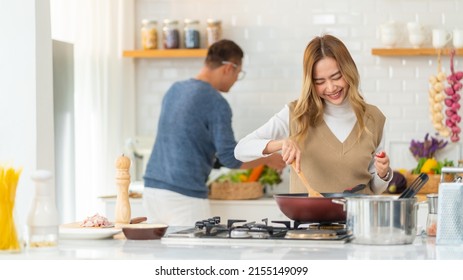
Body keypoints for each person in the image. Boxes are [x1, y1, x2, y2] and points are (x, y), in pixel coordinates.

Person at [143, 39, 286, 226]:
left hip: (152, 190)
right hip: (184, 196)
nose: (236, 80)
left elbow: (190, 145)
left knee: (159, 253)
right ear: (229, 68)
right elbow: (231, 158)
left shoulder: (175, 90)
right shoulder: (216, 102)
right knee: (199, 252)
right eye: (238, 73)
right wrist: (268, 158)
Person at [234, 34, 392, 195]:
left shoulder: (374, 118)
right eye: (320, 82)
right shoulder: (296, 114)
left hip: (358, 219)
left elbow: (376, 188)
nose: (330, 88)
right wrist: (282, 144)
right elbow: (240, 150)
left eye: (336, 77)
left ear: (349, 71)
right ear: (310, 82)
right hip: (309, 220)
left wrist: (383, 173)